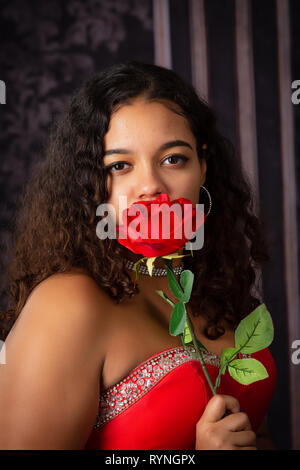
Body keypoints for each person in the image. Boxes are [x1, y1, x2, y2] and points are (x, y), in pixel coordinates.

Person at [0, 61, 276, 450]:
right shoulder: (69, 304)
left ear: (203, 167)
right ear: (92, 185)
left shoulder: (219, 289)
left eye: (173, 158)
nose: (149, 185)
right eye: (120, 165)